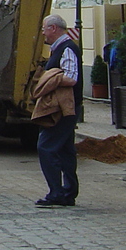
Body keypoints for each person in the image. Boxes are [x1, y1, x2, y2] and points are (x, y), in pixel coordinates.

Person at [37, 14, 81, 208]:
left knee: (46, 147)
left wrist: (49, 79)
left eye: (45, 28)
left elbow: (71, 78)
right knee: (65, 150)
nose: (43, 32)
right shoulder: (61, 48)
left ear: (54, 28)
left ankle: (57, 192)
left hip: (64, 109)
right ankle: (68, 192)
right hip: (66, 109)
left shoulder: (67, 48)